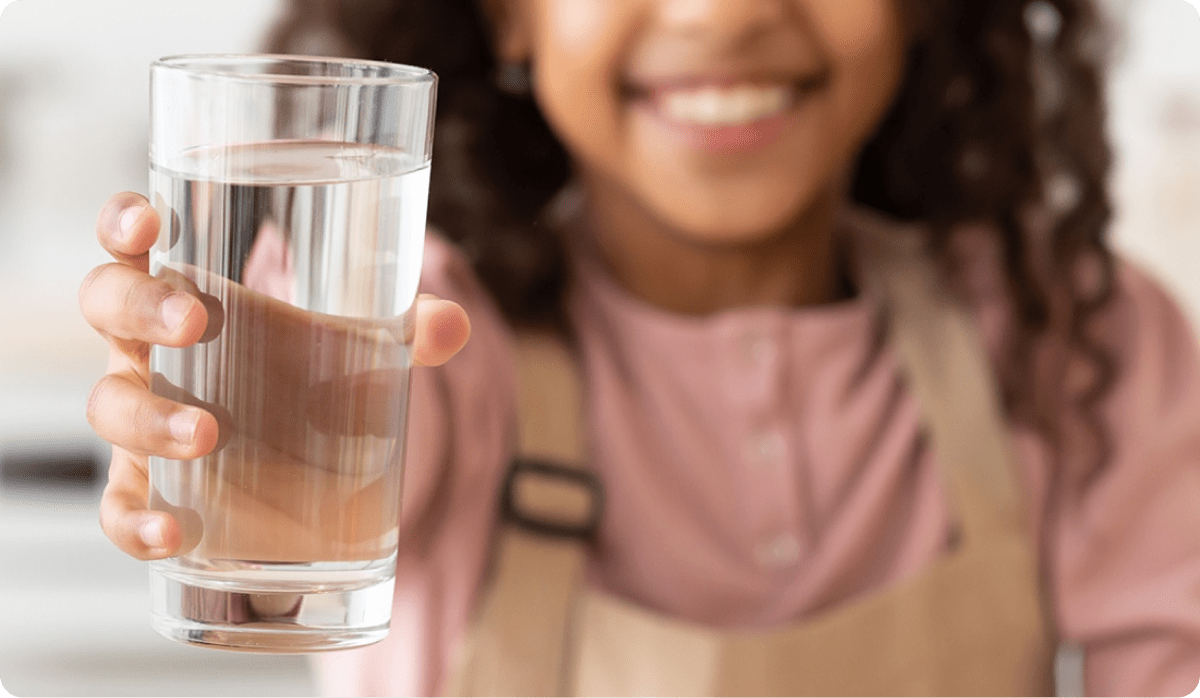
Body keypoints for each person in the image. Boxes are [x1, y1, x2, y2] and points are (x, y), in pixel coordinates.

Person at [78, 0, 1200, 695]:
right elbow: (312, 486)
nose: (721, 11)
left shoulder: (1083, 341)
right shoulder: (437, 337)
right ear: (505, 14)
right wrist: (233, 448)